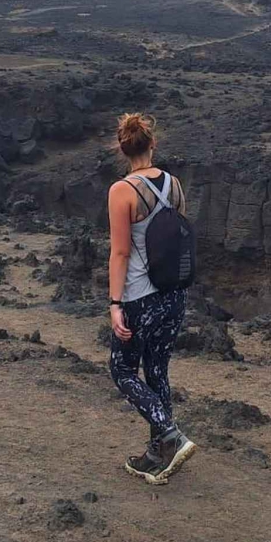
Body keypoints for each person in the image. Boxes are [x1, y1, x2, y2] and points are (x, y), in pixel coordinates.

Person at [107, 113, 197, 484]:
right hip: (173, 295)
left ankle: (170, 434)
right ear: (152, 144)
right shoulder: (174, 185)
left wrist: (115, 304)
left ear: (122, 148)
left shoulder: (122, 191)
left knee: (122, 370)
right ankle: (157, 453)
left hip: (139, 298)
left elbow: (120, 252)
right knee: (157, 370)